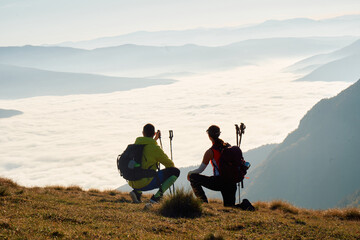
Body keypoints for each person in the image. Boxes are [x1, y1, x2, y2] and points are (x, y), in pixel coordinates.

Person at [128, 123, 180, 204]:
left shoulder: (136, 145)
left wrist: (154, 140)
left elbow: (146, 147)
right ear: (154, 133)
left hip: (132, 181)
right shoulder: (155, 149)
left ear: (143, 133)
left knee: (140, 169)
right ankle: (156, 198)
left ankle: (136, 193)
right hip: (145, 183)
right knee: (175, 171)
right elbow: (170, 165)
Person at [187, 125, 237, 206]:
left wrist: (190, 173)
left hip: (219, 181)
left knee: (193, 177)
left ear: (209, 136)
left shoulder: (210, 152)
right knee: (230, 207)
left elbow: (200, 170)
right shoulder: (228, 146)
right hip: (232, 182)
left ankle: (203, 203)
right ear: (219, 134)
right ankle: (246, 205)